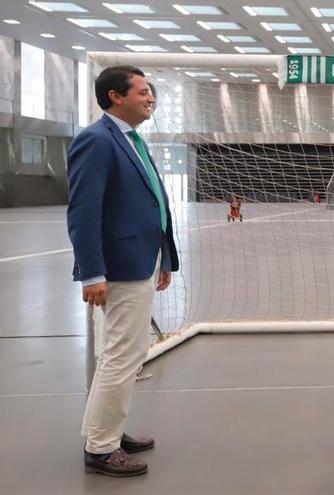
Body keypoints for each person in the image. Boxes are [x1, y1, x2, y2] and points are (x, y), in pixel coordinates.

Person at [67, 65, 179, 476]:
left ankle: (109, 430)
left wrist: (164, 258)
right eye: (143, 91)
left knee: (126, 354)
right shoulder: (96, 141)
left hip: (142, 261)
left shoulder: (131, 140)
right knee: (121, 354)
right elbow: (83, 211)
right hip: (117, 267)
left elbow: (154, 201)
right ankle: (100, 448)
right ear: (116, 96)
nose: (151, 98)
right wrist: (92, 273)